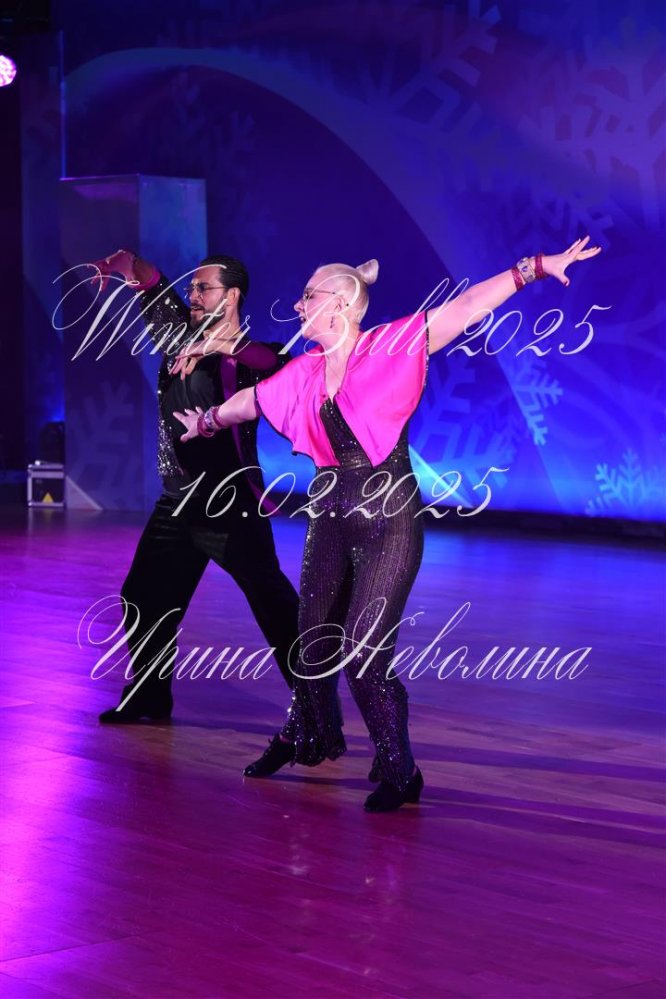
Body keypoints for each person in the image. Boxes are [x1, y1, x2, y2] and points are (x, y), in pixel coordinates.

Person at [174, 237, 602, 810]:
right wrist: (206, 421)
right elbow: (250, 402)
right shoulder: (304, 371)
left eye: (308, 296)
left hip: (388, 521)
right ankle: (308, 734)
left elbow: (467, 306)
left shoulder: (391, 346)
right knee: (310, 643)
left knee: (363, 658)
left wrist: (537, 268)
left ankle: (401, 771)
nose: (297, 306)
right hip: (331, 515)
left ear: (341, 303)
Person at [90, 249, 300, 722]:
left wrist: (218, 347)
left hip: (230, 503)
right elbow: (150, 282)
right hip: (177, 500)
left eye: (204, 288)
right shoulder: (177, 336)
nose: (193, 295)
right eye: (192, 288)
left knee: (271, 601)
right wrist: (122, 263)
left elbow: (275, 362)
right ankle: (149, 695)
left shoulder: (250, 358)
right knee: (143, 595)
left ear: (233, 296)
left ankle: (314, 704)